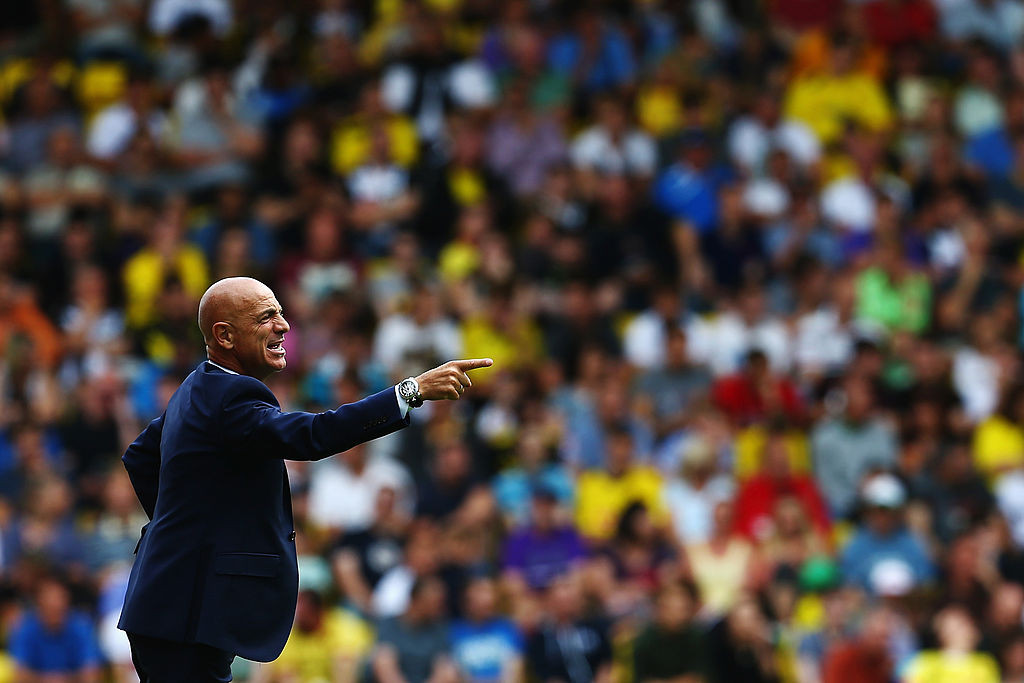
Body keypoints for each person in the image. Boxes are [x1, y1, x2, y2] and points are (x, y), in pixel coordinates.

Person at [117, 276, 493, 681]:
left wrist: (184, 535)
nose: (283, 326)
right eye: (265, 317)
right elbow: (313, 435)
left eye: (280, 313)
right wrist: (410, 391)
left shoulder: (197, 386)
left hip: (170, 605)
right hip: (184, 615)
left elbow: (141, 455)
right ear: (224, 336)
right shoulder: (232, 396)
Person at [8, 575, 103, 682]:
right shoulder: (25, 628)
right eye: (50, 607)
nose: (55, 607)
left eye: (59, 607)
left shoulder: (81, 626)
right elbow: (19, 673)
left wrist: (63, 680)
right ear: (39, 604)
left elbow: (92, 672)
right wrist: (48, 680)